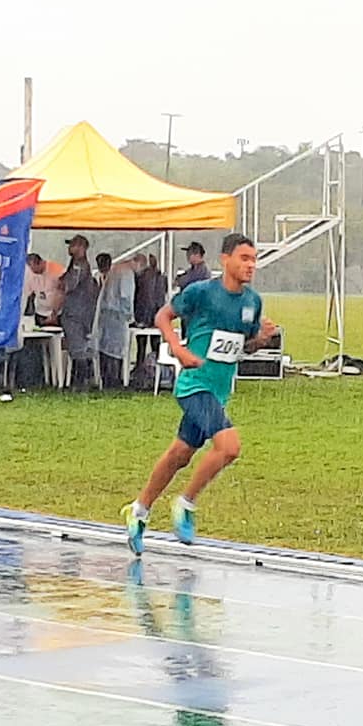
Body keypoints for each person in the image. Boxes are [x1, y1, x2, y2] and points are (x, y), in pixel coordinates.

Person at [121, 234, 277, 556]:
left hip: (218, 390)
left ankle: (138, 511)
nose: (250, 265)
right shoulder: (202, 292)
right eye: (244, 258)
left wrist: (260, 339)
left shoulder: (252, 302)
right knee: (229, 447)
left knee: (180, 454)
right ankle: (186, 504)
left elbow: (241, 345)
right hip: (194, 384)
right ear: (225, 259)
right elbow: (163, 316)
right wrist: (178, 348)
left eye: (254, 259)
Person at [95, 254, 147, 388]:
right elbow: (126, 297)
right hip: (118, 316)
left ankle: (105, 380)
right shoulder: (127, 273)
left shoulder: (115, 269)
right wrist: (131, 318)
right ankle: (114, 381)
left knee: (105, 348)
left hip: (105, 314)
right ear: (137, 263)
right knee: (116, 349)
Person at [59, 235, 98, 392]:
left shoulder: (79, 265)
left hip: (76, 314)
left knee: (77, 350)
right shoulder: (74, 264)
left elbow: (69, 284)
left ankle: (80, 383)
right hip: (76, 312)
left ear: (81, 248)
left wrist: (62, 283)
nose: (69, 248)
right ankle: (79, 381)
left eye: (73, 245)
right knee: (77, 349)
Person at [134, 253, 168, 363]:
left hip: (144, 316)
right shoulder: (160, 277)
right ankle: (153, 369)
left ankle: (143, 367)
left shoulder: (142, 277)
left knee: (143, 346)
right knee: (154, 346)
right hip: (154, 315)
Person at [24, 253, 65, 327]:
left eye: (36, 270)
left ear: (41, 263)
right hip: (40, 313)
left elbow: (61, 293)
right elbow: (28, 295)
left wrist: (54, 314)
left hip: (58, 314)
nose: (34, 273)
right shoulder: (30, 273)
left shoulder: (57, 270)